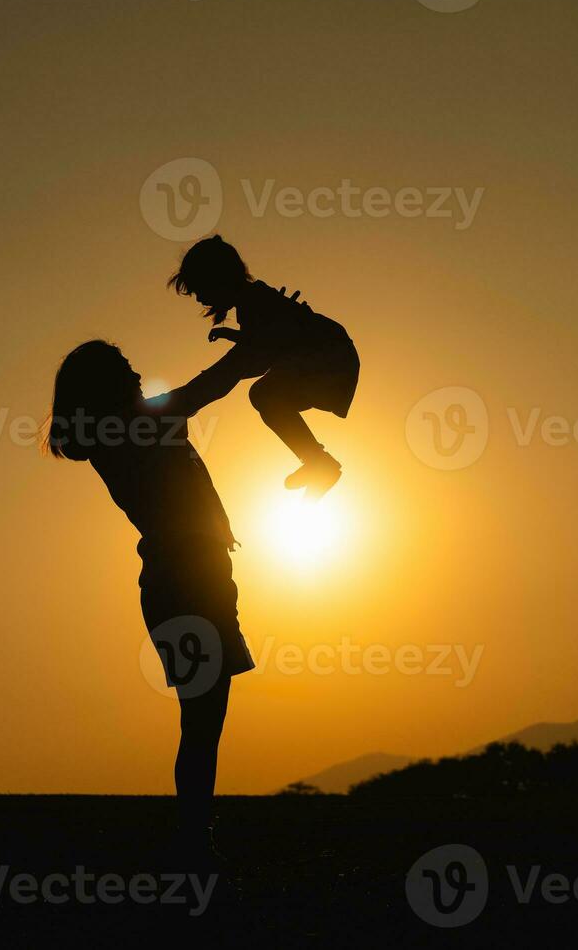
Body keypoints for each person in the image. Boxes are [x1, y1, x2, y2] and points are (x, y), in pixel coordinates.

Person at [47, 338, 266, 861]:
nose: (136, 371)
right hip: (183, 580)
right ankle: (194, 836)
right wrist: (257, 350)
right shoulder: (128, 428)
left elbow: (200, 394)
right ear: (104, 384)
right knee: (202, 717)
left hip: (199, 576)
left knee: (204, 718)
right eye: (124, 368)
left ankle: (195, 832)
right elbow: (203, 390)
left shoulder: (130, 426)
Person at [167, 235, 360, 500]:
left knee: (264, 394)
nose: (200, 298)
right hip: (332, 356)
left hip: (330, 357)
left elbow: (246, 361)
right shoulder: (254, 301)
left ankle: (318, 461)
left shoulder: (256, 301)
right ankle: (316, 460)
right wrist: (234, 340)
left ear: (218, 279)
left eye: (200, 288)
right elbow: (259, 350)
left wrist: (181, 401)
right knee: (266, 395)